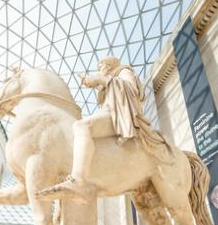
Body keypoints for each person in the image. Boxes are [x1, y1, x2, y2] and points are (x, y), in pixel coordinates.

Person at [37, 56, 173, 203]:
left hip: (117, 116)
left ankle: (78, 181)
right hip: (110, 115)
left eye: (100, 68)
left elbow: (131, 89)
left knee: (82, 126)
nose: (99, 71)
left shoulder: (124, 71)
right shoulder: (110, 81)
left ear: (108, 66)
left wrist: (100, 80)